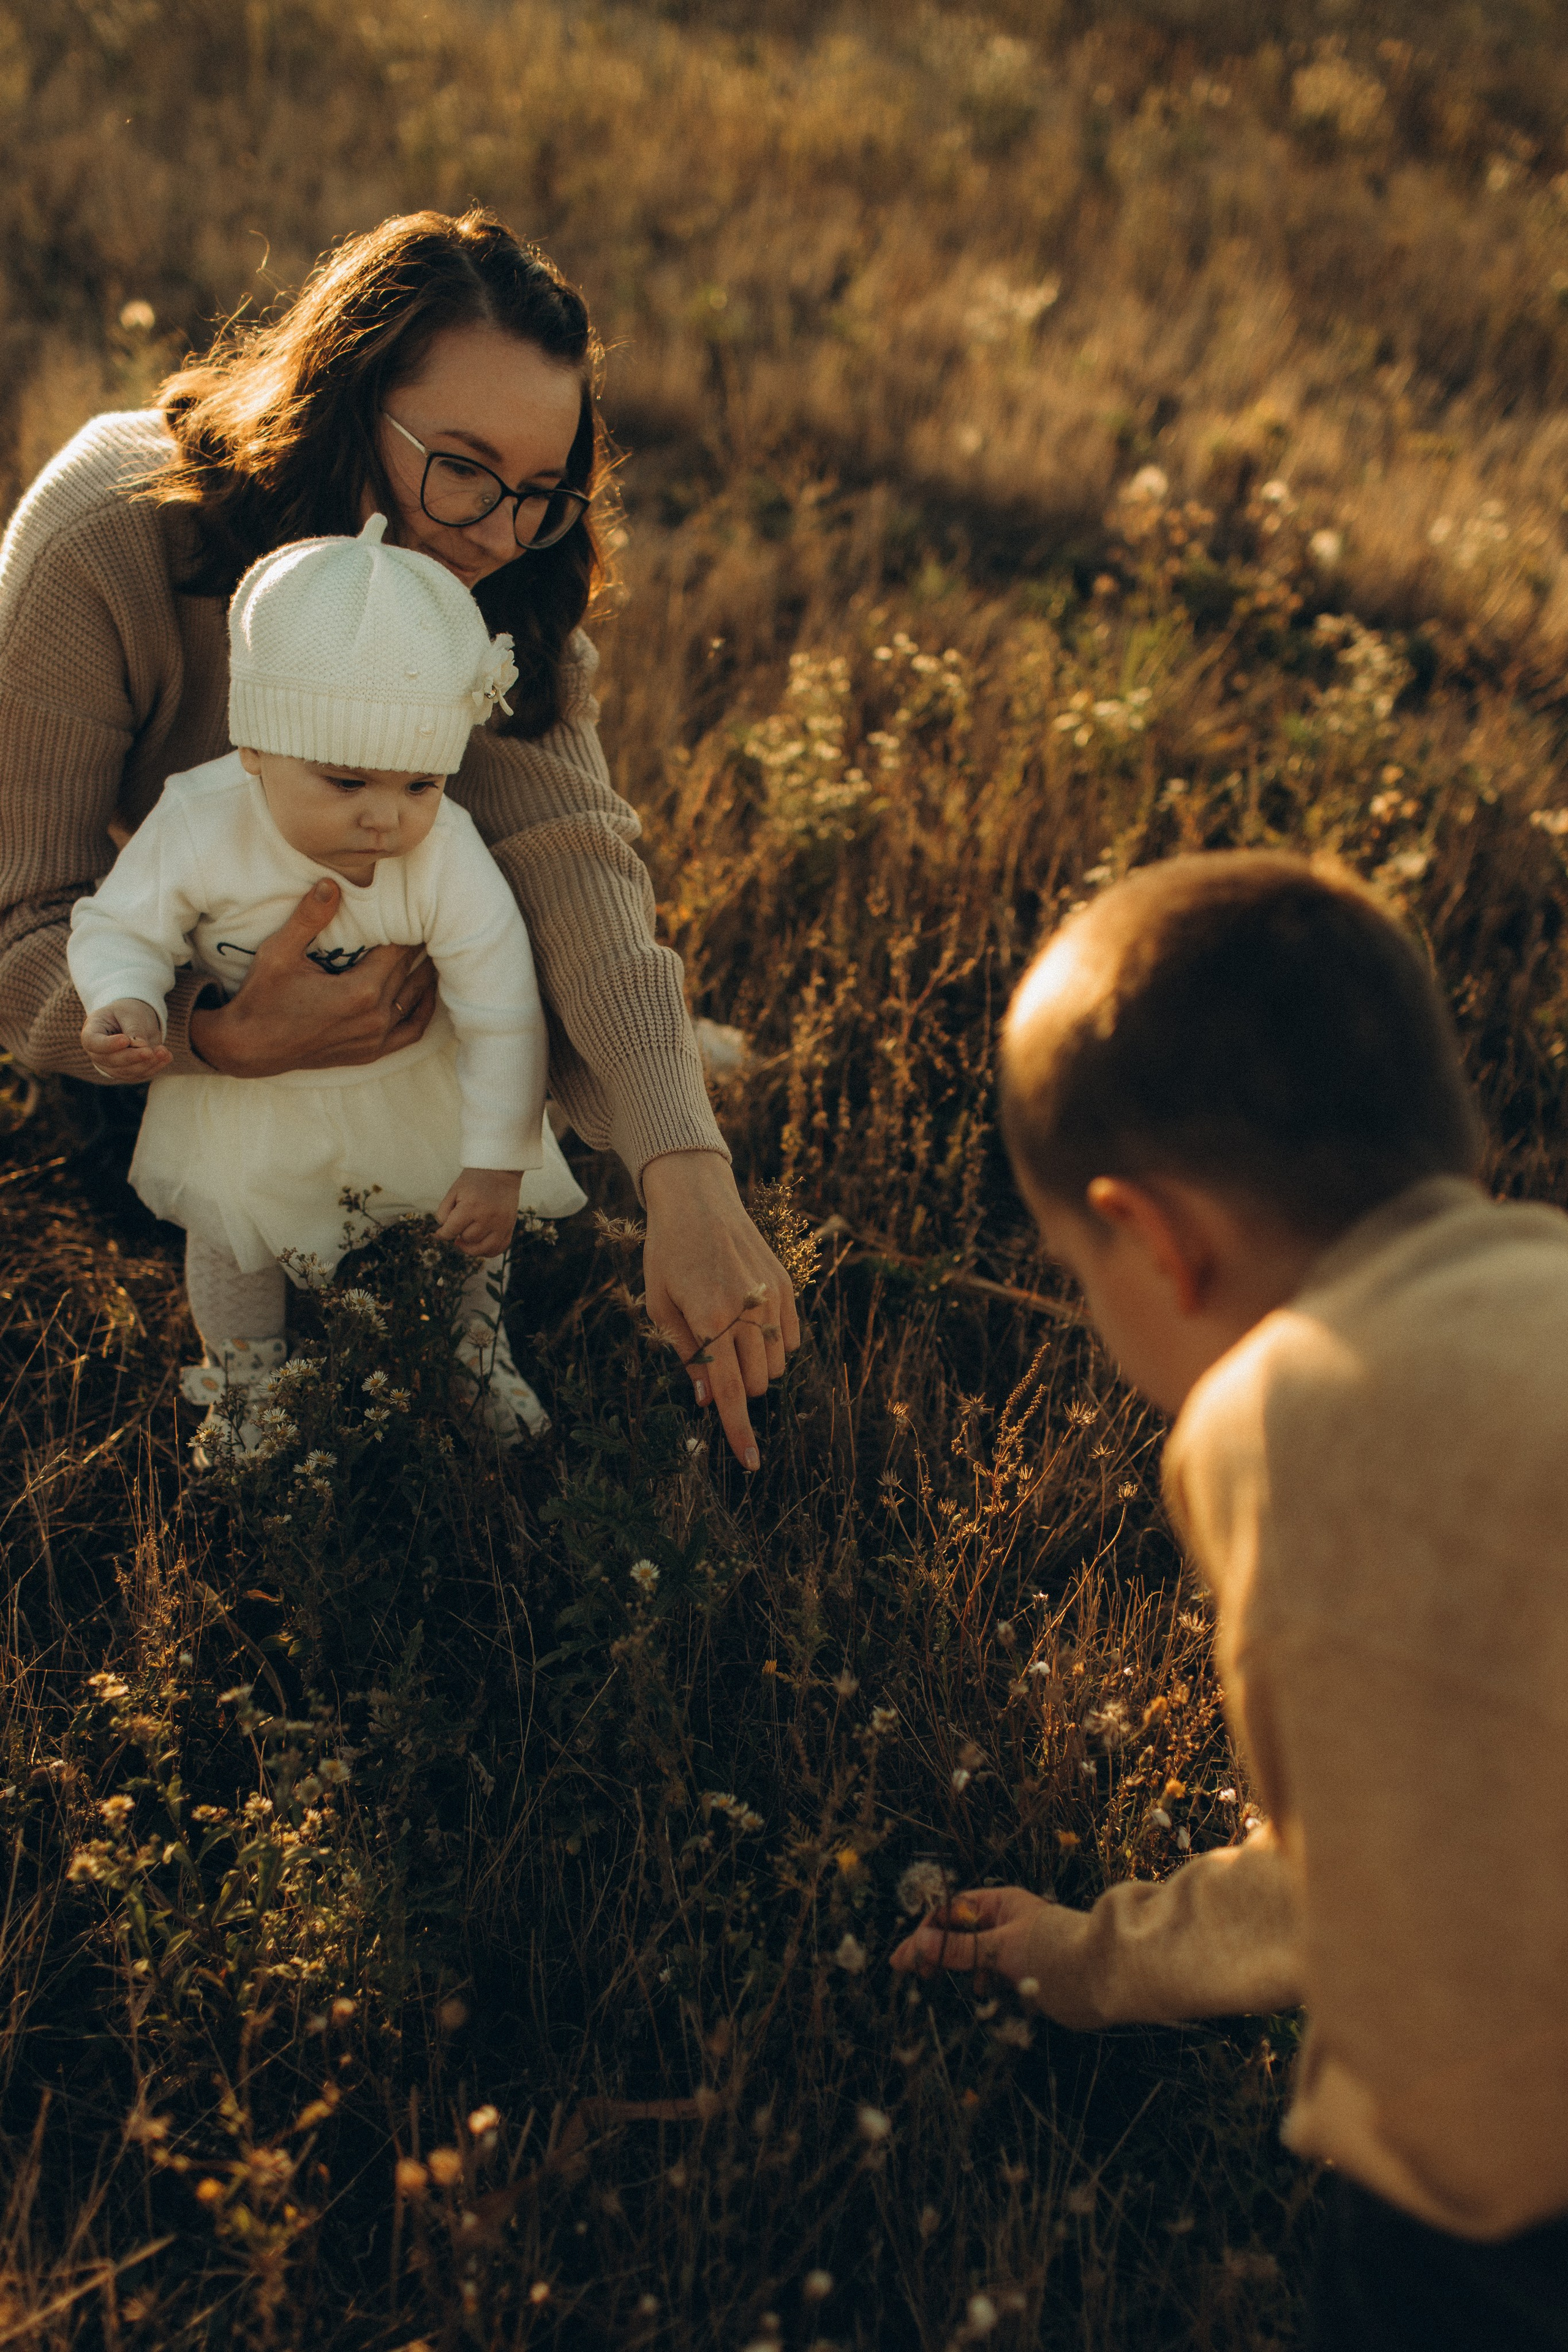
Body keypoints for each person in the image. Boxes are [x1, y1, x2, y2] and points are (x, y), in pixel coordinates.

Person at [891, 852, 1568, 2351]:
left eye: (1076, 1271)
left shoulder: (1281, 1413)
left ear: (1155, 1238)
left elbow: (1341, 1886)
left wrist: (1077, 1963)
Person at [0, 206, 797, 1468]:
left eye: (539, 493)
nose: (493, 532)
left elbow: (571, 863)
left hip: (398, 916)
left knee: (527, 985)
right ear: (340, 406)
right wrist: (212, 1029)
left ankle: (641, 1076)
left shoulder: (498, 583)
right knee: (208, 1207)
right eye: (461, 467)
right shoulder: (113, 537)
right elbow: (22, 920)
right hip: (172, 951)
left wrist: (682, 1167)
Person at [69, 513, 586, 1457]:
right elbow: (119, 923)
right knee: (232, 1233)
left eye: (421, 784)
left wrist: (496, 1158)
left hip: (411, 1079)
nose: (387, 819)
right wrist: (129, 999)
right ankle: (245, 1382)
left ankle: (477, 1355)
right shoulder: (198, 820)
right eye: (346, 782)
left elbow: (502, 1005)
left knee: (476, 1233)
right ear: (256, 749)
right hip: (248, 1094)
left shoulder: (447, 852)